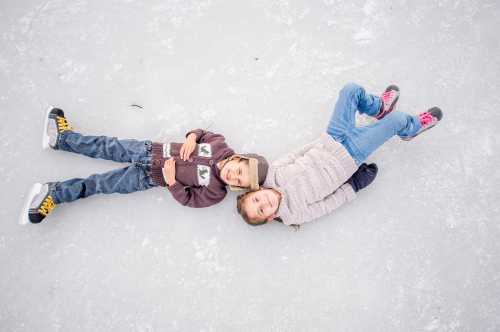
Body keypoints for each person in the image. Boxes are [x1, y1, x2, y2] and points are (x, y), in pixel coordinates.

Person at [236, 83, 443, 227]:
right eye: (261, 211)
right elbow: (327, 205)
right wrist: (354, 186)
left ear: (256, 191)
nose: (263, 204)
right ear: (271, 217)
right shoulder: (294, 214)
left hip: (332, 138)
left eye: (256, 201)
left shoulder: (272, 173)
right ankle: (411, 129)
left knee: (351, 90)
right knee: (398, 120)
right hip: (351, 155)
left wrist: (321, 141)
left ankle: (379, 108)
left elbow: (296, 153)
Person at [22, 108, 268, 224]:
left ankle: (53, 193)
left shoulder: (216, 192)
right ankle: (61, 138)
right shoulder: (220, 144)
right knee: (105, 146)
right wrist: (192, 137)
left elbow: (189, 200)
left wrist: (172, 182)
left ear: (238, 187)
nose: (233, 176)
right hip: (148, 150)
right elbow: (202, 132)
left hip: (148, 178)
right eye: (239, 170)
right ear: (239, 159)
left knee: (101, 185)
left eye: (239, 180)